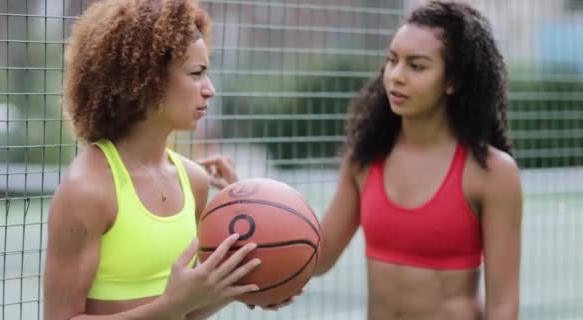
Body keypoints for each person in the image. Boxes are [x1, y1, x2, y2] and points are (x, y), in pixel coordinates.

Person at [43, 0, 269, 318]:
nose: (210, 90)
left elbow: (187, 310)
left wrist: (250, 288)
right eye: (196, 73)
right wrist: (172, 305)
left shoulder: (195, 182)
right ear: (148, 80)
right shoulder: (86, 191)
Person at [314, 2, 522, 319]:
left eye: (417, 66)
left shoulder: (492, 173)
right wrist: (252, 204)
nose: (396, 76)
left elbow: (502, 305)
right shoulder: (364, 158)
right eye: (392, 60)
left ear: (452, 80)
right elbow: (319, 257)